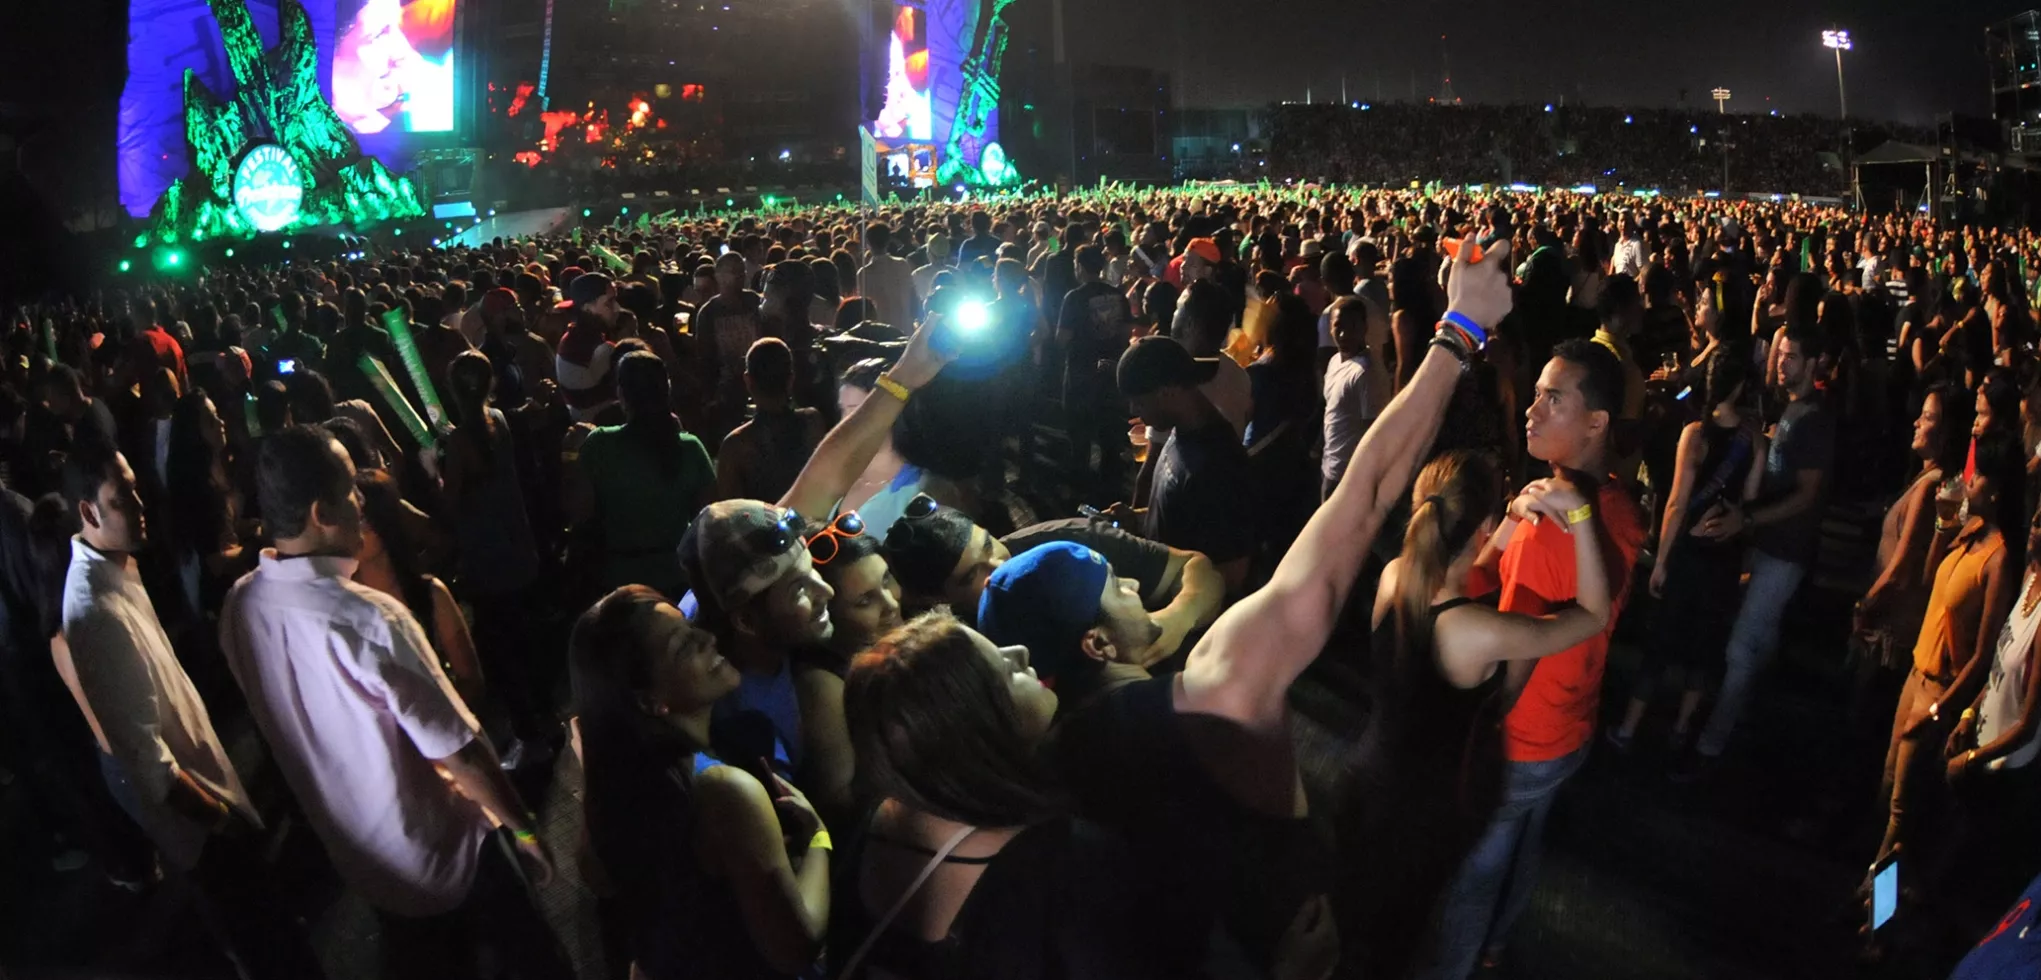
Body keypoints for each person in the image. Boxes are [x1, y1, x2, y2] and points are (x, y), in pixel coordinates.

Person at [977, 232, 1515, 979]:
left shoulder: (1053, 770)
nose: (1138, 586)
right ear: (1097, 645)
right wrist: (1460, 331)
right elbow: (1361, 499)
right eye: (1118, 589)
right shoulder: (1221, 683)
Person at [219, 425, 569, 980]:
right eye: (348, 490)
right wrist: (523, 829)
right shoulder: (367, 617)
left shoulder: (241, 606)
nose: (362, 500)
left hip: (366, 862)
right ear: (320, 513)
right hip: (449, 853)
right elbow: (459, 752)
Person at [56, 439, 325, 979]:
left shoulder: (116, 570)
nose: (140, 503)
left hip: (209, 806)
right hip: (204, 830)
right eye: (122, 497)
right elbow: (152, 768)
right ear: (88, 512)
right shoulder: (96, 612)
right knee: (269, 944)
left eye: (134, 488)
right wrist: (226, 825)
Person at [1422, 337, 1645, 980]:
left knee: (1472, 873)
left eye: (1553, 398)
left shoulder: (1555, 520)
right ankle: (1497, 945)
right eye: (1537, 392)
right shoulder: (1614, 506)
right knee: (1526, 840)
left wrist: (1482, 726)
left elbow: (1511, 642)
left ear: (1597, 424)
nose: (1532, 409)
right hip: (1573, 727)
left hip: (1523, 735)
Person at [1347, 450, 1611, 980]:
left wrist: (1509, 521)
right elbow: (1594, 614)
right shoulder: (1481, 632)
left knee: (1361, 930)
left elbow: (1473, 568)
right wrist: (1580, 514)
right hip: (1426, 813)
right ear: (1480, 525)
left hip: (1367, 781)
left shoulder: (1396, 576)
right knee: (1405, 941)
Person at [830, 612, 1166, 979]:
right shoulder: (1068, 862)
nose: (1021, 652)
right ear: (981, 726)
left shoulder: (874, 825)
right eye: (1005, 669)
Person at [571, 585, 831, 979]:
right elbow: (796, 947)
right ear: (649, 700)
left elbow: (605, 883)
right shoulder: (724, 792)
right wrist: (818, 838)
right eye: (683, 645)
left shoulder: (614, 791)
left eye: (691, 625)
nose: (708, 637)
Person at [1677, 322, 1839, 776]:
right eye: (1779, 354)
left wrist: (1747, 519)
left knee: (1741, 646)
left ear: (1812, 364)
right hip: (1769, 543)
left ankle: (1711, 744)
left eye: (1790, 357)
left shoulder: (1815, 419)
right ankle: (1743, 711)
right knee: (1758, 637)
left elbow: (1807, 493)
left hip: (1785, 550)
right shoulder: (1791, 410)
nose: (1780, 363)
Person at [1869, 432, 2021, 873]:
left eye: (1975, 480)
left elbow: (1983, 653)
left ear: (1994, 489)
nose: (1966, 483)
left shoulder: (1999, 561)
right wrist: (1942, 523)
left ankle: (1877, 918)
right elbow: (1932, 575)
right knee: (1887, 785)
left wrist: (1939, 711)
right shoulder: (1969, 532)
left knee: (1903, 812)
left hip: (1938, 690)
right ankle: (1871, 894)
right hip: (1917, 674)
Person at [1608, 350, 1764, 752]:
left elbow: (1676, 502)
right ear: (1743, 386)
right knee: (1705, 649)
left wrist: (1660, 562)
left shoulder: (1694, 433)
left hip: (1687, 554)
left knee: (1660, 644)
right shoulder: (1755, 438)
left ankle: (1628, 729)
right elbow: (1748, 498)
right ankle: (1680, 729)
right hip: (1723, 555)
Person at [882, 497, 1224, 661]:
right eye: (973, 574)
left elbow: (1200, 570)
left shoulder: (1063, 548)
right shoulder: (953, 647)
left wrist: (1178, 618)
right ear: (938, 601)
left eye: (989, 544)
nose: (999, 564)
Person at [439, 351, 547, 746]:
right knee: (524, 636)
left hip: (484, 555)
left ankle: (527, 733)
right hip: (515, 543)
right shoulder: (498, 420)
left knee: (500, 646)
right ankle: (543, 720)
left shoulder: (458, 440)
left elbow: (451, 503)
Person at [1111, 336, 1254, 595]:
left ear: (1168, 391)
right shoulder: (1181, 434)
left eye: (1139, 401)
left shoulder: (1219, 466)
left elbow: (1231, 575)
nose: (1134, 409)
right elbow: (1186, 512)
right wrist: (1139, 519)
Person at [353, 468, 489, 736]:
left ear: (384, 524)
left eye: (361, 523)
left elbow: (471, 680)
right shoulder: (342, 604)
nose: (351, 534)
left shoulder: (430, 594)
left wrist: (429, 734)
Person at [570, 350, 717, 598]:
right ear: (666, 391)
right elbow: (709, 520)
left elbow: (578, 512)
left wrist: (570, 455)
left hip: (619, 580)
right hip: (678, 578)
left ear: (621, 394)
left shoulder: (600, 444)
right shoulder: (689, 447)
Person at [831, 359, 960, 540]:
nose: (845, 422)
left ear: (891, 411)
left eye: (855, 411)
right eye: (842, 410)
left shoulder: (926, 490)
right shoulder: (835, 477)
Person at [712, 338, 828, 505]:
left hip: (762, 530)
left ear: (747, 380)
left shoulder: (735, 446)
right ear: (791, 380)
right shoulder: (813, 423)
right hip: (811, 528)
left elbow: (730, 516)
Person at [1056, 244, 1133, 496]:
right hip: (1110, 372)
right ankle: (1110, 485)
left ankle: (1080, 486)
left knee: (1079, 435)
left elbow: (1063, 337)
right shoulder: (1118, 295)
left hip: (1080, 373)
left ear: (1079, 267)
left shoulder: (1074, 298)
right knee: (1109, 430)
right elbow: (1126, 332)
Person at [696, 252, 766, 444]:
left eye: (742, 271)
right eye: (733, 272)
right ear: (719, 276)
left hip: (759, 386)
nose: (740, 276)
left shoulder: (754, 302)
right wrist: (709, 396)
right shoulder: (709, 312)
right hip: (726, 392)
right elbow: (705, 356)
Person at [1321, 296, 1386, 499]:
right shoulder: (1334, 361)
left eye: (1351, 327)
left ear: (1364, 328)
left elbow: (1373, 431)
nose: (1343, 334)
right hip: (1329, 468)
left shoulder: (1366, 373)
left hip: (1349, 478)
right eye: (1338, 326)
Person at [554, 272, 622, 422]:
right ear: (587, 308)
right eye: (609, 302)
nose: (617, 308)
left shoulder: (572, 337)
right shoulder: (601, 350)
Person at [860, 222, 917, 330]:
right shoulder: (902, 264)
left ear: (867, 243)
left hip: (879, 333)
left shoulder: (863, 273)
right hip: (905, 329)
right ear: (888, 241)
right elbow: (912, 296)